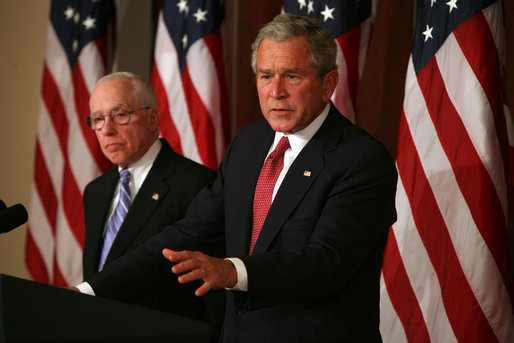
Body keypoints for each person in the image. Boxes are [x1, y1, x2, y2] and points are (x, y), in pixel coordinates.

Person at [78, 14, 398, 342]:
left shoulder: (361, 159)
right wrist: (89, 290)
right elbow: (189, 232)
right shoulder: (248, 145)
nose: (276, 91)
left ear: (328, 84)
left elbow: (327, 262)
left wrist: (232, 271)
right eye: (265, 76)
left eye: (291, 76)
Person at [82, 72, 220, 322]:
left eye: (120, 115)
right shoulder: (95, 191)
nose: (107, 130)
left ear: (153, 118)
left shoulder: (197, 183)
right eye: (98, 119)